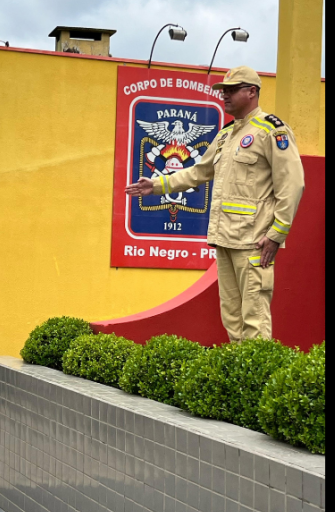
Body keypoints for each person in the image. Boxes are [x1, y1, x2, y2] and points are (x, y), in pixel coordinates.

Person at [126, 66, 305, 342]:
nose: (225, 96)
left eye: (232, 90)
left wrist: (275, 234)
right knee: (232, 318)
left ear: (252, 92)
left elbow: (292, 185)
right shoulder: (225, 134)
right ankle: (239, 381)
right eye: (224, 91)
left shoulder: (272, 131)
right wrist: (158, 185)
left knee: (254, 318)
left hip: (254, 242)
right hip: (225, 239)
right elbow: (198, 172)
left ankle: (256, 381)